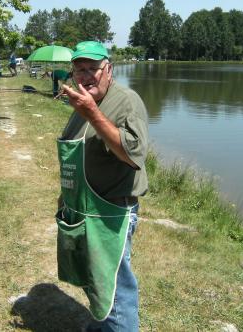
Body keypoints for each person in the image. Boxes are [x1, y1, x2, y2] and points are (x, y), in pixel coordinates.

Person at [57, 41, 149, 331]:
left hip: (111, 213)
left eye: (93, 68)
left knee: (115, 291)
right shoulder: (85, 100)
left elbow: (132, 155)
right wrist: (65, 197)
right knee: (94, 281)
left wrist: (92, 114)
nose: (86, 76)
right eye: (79, 70)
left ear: (108, 69)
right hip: (84, 210)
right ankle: (101, 326)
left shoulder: (126, 101)